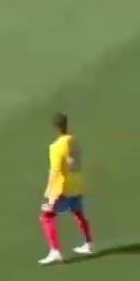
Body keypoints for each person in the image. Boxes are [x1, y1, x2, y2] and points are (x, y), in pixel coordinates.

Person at [38, 112, 95, 265]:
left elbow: (55, 171)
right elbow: (76, 163)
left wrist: (48, 192)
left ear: (55, 128)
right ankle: (89, 243)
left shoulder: (55, 147)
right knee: (78, 213)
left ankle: (55, 251)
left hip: (62, 188)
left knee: (46, 217)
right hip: (76, 185)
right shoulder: (74, 141)